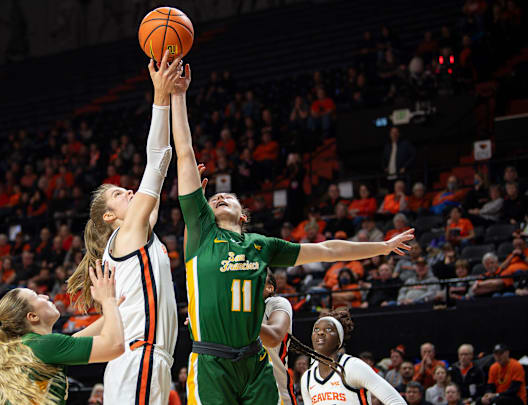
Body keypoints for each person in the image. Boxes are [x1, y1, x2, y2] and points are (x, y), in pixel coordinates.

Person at [171, 60, 414, 404]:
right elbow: (184, 152)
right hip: (212, 361)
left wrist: (384, 247)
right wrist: (178, 96)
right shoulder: (200, 235)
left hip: (254, 362)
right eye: (215, 197)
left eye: (230, 197)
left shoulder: (262, 245)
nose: (221, 196)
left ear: (243, 216)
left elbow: (328, 250)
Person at [65, 50, 181, 405]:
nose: (129, 190)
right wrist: (161, 97)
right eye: (118, 193)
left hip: (137, 360)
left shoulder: (131, 241)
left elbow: (160, 158)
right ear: (109, 217)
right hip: (139, 356)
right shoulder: (127, 234)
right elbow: (158, 161)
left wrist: (61, 349)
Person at [0, 260, 124, 404]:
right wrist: (107, 299)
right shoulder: (43, 345)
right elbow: (115, 346)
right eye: (36, 296)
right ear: (33, 316)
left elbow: (73, 341)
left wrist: (117, 309)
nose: (45, 296)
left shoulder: (31, 345)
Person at [299, 309, 406, 405]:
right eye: (316, 329)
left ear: (339, 339)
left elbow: (396, 401)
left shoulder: (352, 367)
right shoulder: (307, 378)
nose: (320, 333)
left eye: (328, 330)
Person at [261, 271, 296, 405]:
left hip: (276, 391)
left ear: (269, 287)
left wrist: (233, 317)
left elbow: (273, 337)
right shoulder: (236, 310)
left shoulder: (276, 303)